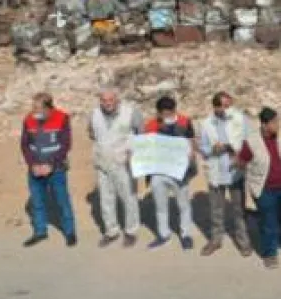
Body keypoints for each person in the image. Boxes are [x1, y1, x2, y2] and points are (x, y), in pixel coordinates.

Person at [236, 108, 281, 268]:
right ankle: (269, 253)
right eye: (275, 122)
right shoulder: (252, 141)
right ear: (264, 124)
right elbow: (242, 161)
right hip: (265, 189)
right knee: (269, 222)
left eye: (278, 121)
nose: (278, 125)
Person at [197, 91, 251, 258]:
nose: (229, 109)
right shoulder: (206, 124)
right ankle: (215, 240)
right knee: (216, 209)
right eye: (225, 106)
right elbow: (203, 147)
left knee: (239, 209)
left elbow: (247, 141)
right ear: (216, 107)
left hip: (235, 171)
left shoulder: (240, 119)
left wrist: (232, 149)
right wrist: (212, 149)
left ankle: (243, 242)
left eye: (230, 105)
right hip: (216, 171)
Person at [21, 93, 76, 248]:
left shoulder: (62, 118)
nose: (34, 111)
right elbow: (25, 144)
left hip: (56, 168)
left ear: (48, 107)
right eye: (33, 107)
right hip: (35, 168)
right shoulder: (28, 119)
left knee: (62, 200)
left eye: (37, 108)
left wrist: (50, 165)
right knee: (37, 201)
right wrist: (32, 164)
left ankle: (70, 232)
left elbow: (65, 144)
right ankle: (40, 232)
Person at [89, 89, 142, 247]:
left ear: (117, 99)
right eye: (104, 100)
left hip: (124, 162)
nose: (107, 103)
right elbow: (92, 133)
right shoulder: (94, 114)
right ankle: (111, 231)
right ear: (100, 101)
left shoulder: (131, 113)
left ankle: (131, 231)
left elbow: (141, 134)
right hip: (103, 162)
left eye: (110, 99)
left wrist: (134, 152)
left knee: (129, 198)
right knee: (106, 199)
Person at [144, 95, 197, 251]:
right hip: (158, 172)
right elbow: (145, 146)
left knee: (184, 204)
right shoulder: (151, 125)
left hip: (179, 171)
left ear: (175, 110)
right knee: (160, 205)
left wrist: (191, 152)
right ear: (158, 113)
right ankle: (163, 235)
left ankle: (186, 235)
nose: (167, 116)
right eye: (164, 114)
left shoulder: (185, 122)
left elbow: (191, 139)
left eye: (170, 113)